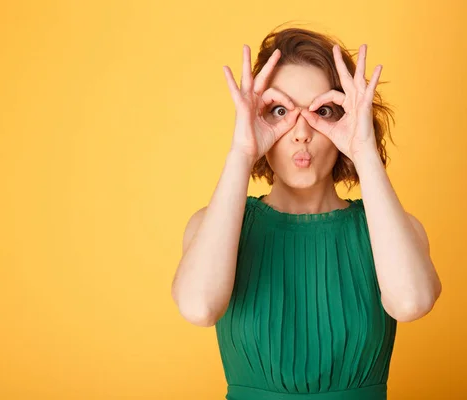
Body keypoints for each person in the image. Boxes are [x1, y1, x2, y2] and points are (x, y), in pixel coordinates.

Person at [171, 26, 442, 400]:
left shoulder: (394, 231)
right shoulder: (211, 227)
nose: (301, 132)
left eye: (323, 111)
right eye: (279, 111)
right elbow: (199, 307)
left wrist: (364, 151)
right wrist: (241, 151)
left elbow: (412, 302)